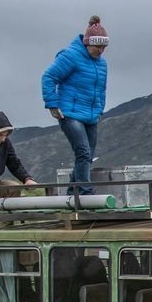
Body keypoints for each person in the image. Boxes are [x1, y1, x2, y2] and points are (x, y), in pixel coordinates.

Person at [42, 15, 109, 195]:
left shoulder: (102, 64)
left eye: (104, 47)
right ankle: (85, 192)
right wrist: (52, 104)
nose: (101, 50)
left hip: (91, 115)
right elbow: (49, 77)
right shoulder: (70, 56)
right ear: (87, 43)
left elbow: (101, 88)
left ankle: (73, 192)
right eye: (97, 46)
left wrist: (100, 108)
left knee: (87, 157)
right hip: (69, 113)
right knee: (83, 152)